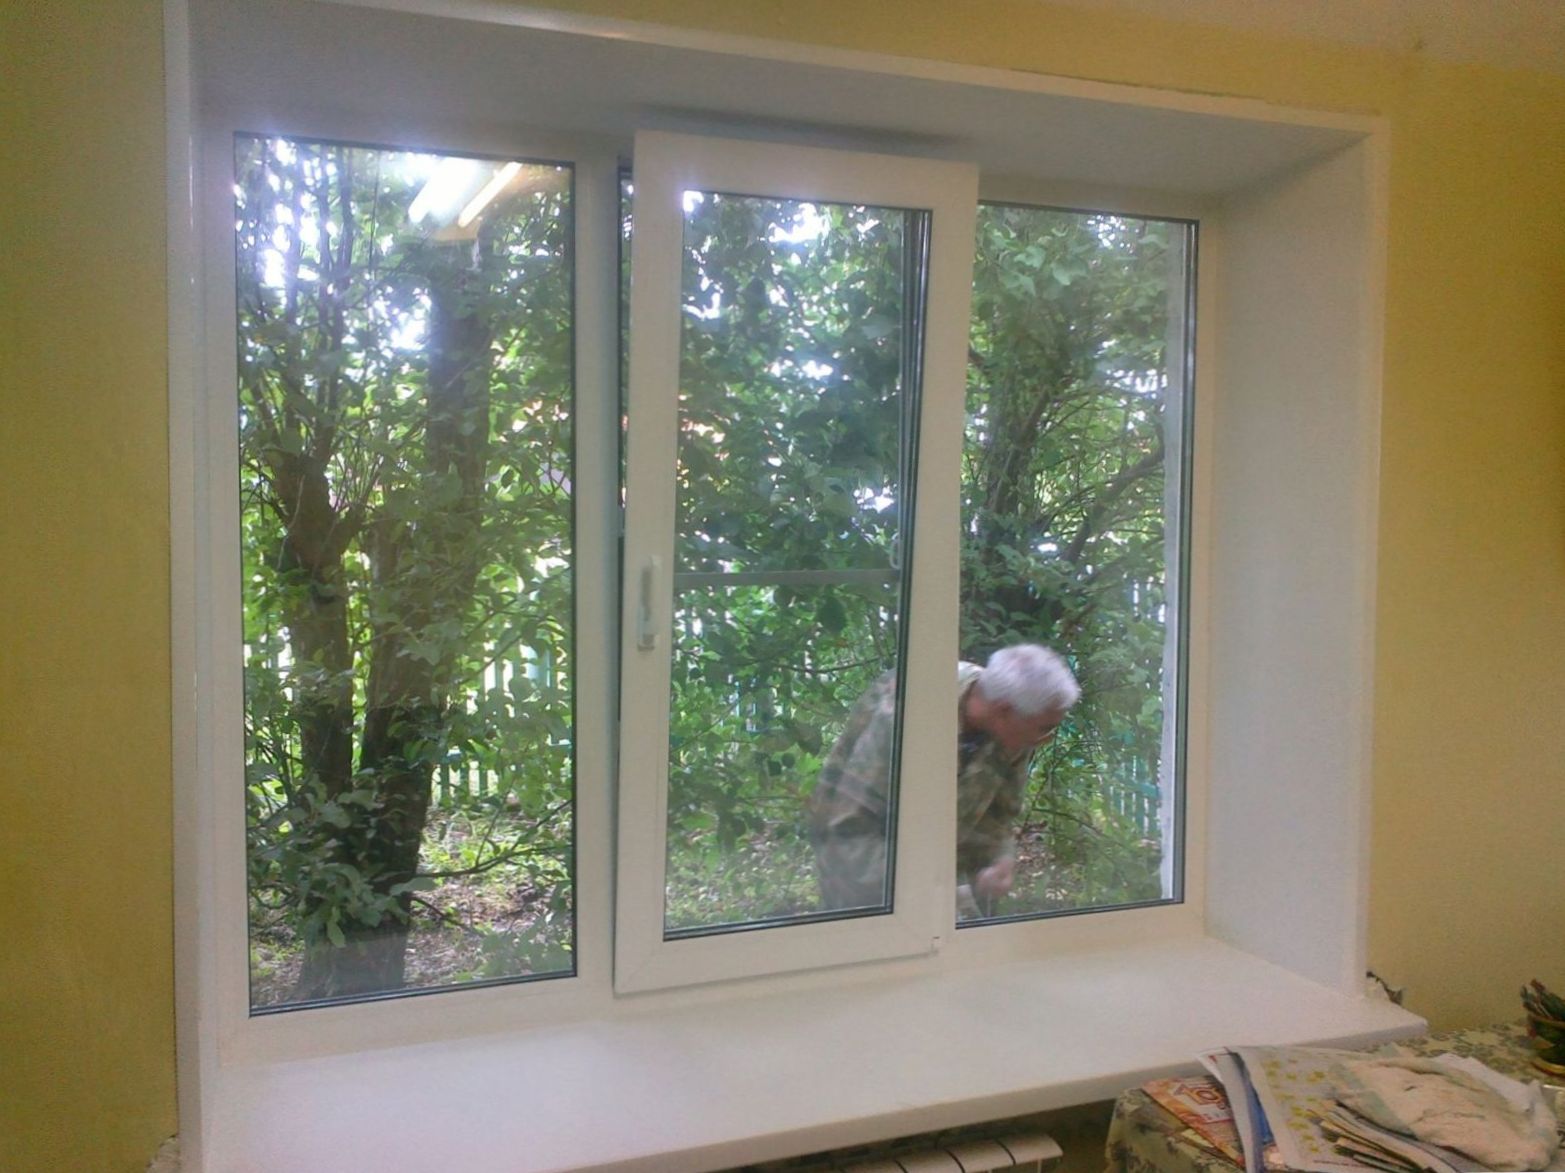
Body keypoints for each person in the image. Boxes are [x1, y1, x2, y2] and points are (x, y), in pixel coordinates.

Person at [806, 643, 1080, 919]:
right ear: (1004, 711)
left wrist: (1000, 860)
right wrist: (935, 893)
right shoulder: (905, 717)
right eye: (1045, 728)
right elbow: (847, 831)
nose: (1047, 739)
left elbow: (1001, 815)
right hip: (865, 879)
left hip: (939, 880)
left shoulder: (1015, 724)